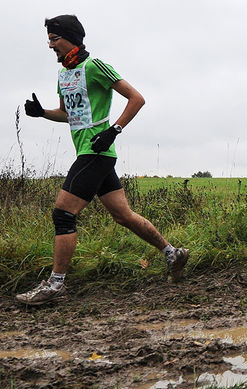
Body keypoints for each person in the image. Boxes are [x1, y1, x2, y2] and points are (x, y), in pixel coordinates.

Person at [16, 15, 189, 306]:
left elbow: (136, 98)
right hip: (89, 152)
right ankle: (173, 253)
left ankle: (56, 286)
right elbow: (69, 114)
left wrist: (114, 130)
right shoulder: (64, 75)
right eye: (48, 39)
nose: (50, 45)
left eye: (54, 39)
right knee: (123, 215)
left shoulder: (94, 66)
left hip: (96, 152)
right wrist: (42, 112)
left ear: (70, 37)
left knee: (63, 215)